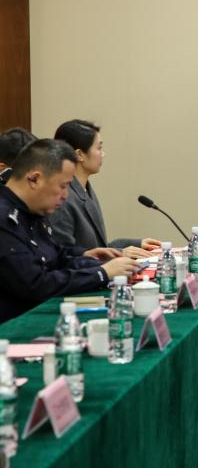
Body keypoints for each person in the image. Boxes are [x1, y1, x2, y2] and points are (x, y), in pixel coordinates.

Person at [0, 139, 138, 323]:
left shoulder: (31, 211)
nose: (65, 195)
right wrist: (101, 273)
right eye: (62, 186)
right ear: (34, 179)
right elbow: (36, 285)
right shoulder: (5, 218)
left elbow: (56, 256)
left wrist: (90, 259)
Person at [50, 119, 162, 258]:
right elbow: (67, 258)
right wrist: (120, 253)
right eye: (99, 148)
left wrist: (136, 244)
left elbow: (98, 246)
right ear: (79, 154)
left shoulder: (85, 189)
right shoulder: (63, 199)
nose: (103, 154)